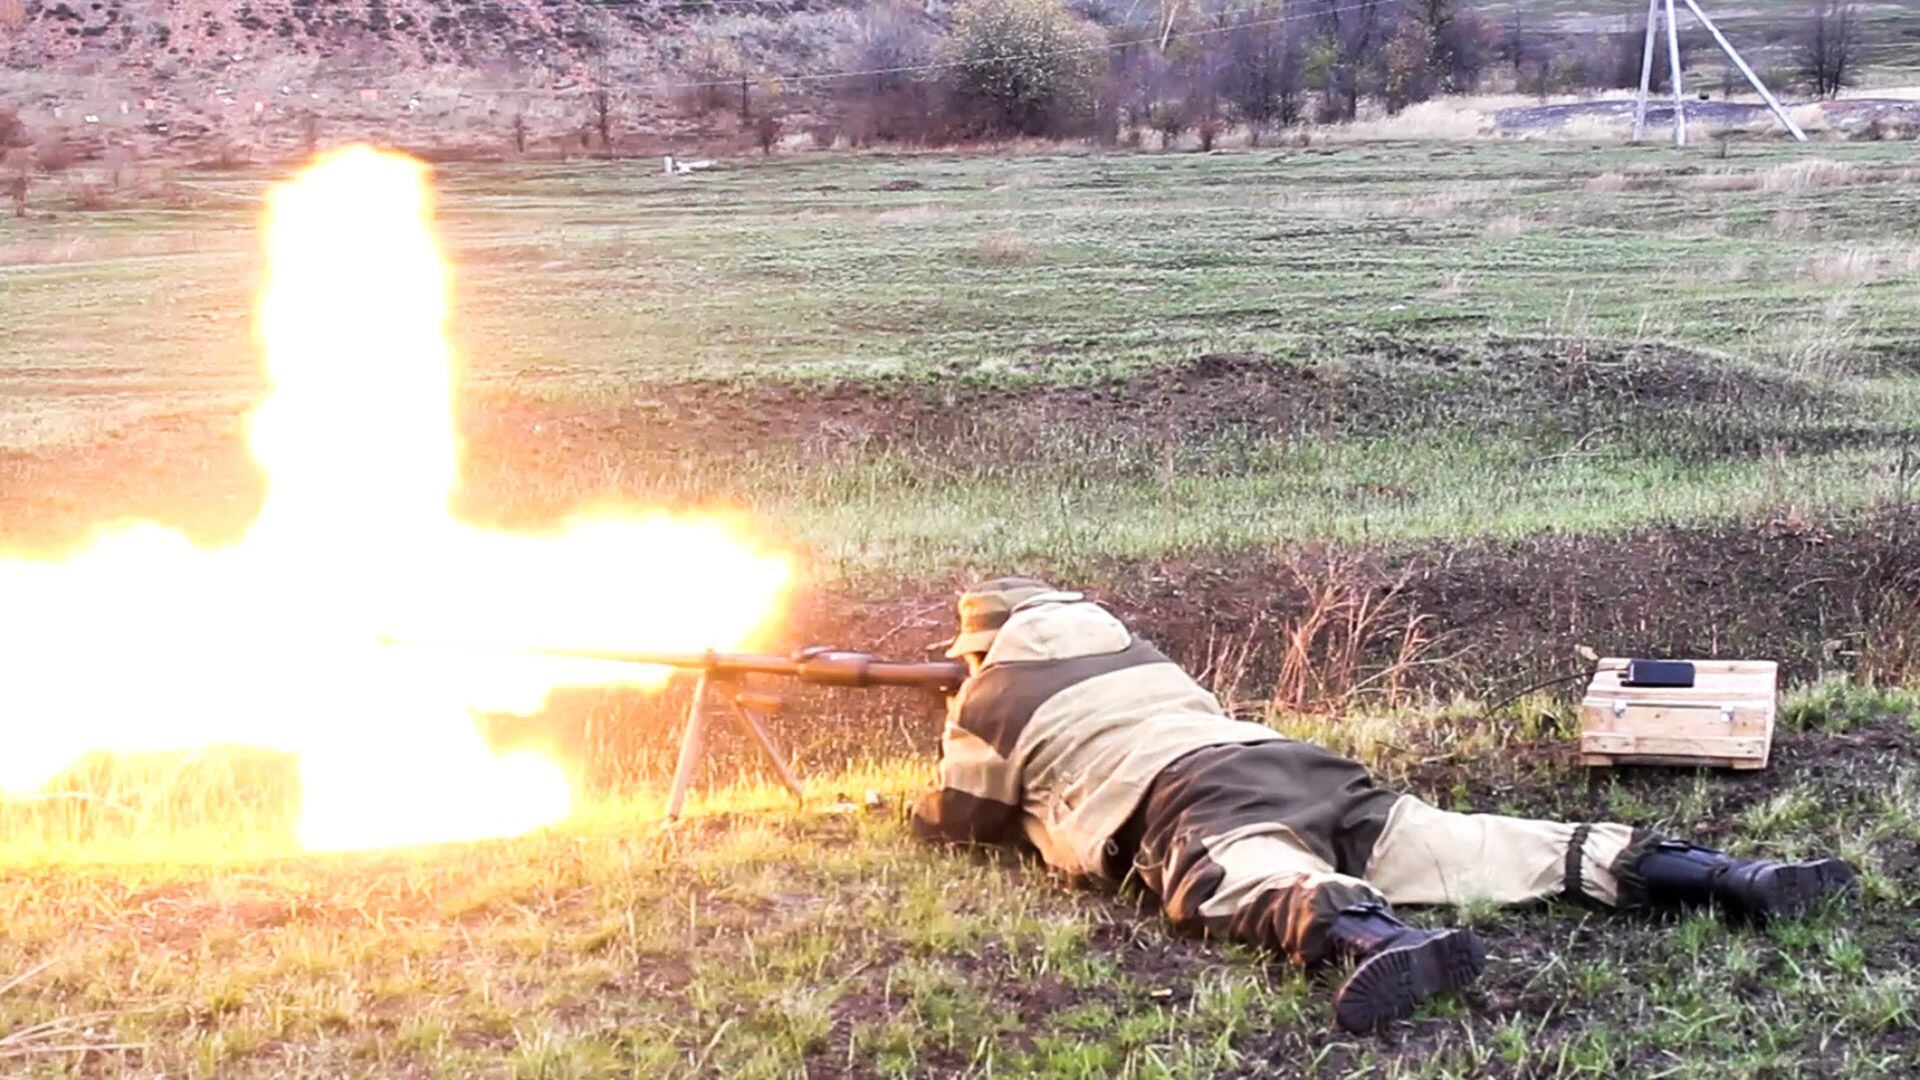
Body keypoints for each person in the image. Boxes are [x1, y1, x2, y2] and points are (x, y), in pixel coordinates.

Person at [911, 578, 1859, 1032]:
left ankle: (1380, 944)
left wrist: (953, 726)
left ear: (979, 646)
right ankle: (1724, 877)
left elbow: (964, 823)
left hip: (1186, 792)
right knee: (1474, 843)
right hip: (1295, 763)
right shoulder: (1138, 652)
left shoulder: (991, 698)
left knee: (1246, 874)